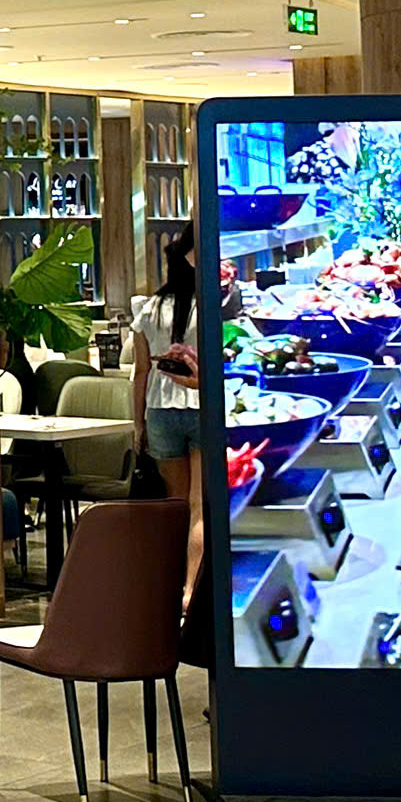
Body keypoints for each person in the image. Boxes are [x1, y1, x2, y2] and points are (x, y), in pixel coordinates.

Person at [130, 228, 236, 617]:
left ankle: (170, 587)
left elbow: (141, 372)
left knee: (175, 504)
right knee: (199, 506)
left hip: (160, 411)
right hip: (201, 406)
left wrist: (138, 425)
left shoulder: (149, 308)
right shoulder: (210, 306)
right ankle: (191, 591)